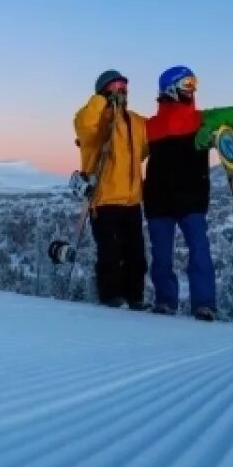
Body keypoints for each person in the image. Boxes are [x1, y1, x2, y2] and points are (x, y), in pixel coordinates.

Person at [143, 65, 233, 321]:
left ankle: (204, 304)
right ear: (171, 89)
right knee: (161, 256)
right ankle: (165, 301)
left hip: (191, 198)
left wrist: (206, 126)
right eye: (187, 84)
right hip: (158, 199)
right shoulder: (151, 126)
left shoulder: (201, 118)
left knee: (200, 251)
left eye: (193, 83)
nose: (193, 89)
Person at [73, 70, 150, 309]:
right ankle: (110, 297)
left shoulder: (136, 122)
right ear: (103, 90)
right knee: (110, 252)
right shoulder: (93, 122)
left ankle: (135, 297)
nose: (122, 91)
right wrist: (101, 102)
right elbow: (83, 122)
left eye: (125, 86)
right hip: (104, 199)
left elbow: (147, 147)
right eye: (116, 86)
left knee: (135, 252)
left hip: (131, 200)